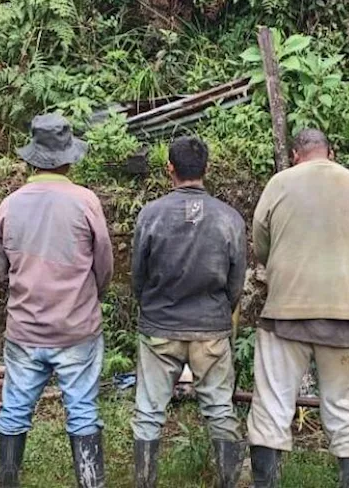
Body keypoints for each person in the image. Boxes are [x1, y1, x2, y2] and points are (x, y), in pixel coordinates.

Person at [246, 129, 349, 488]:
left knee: (272, 407)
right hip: (346, 316)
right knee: (348, 409)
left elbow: (261, 244)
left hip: (285, 314)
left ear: (294, 155)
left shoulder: (280, 183)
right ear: (330, 152)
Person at [0, 113, 114, 488]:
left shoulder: (9, 205)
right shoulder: (85, 201)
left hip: (25, 329)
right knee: (82, 411)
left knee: (14, 411)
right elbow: (104, 264)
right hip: (76, 329)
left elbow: (3, 268)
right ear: (69, 158)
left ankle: (8, 481)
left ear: (31, 158)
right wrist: (90, 296)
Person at [129, 136, 247, 488]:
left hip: (159, 327)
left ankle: (145, 482)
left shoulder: (150, 214)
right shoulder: (229, 218)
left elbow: (139, 275)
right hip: (210, 327)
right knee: (219, 409)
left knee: (149, 412)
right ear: (206, 169)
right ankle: (230, 480)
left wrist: (150, 306)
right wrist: (220, 312)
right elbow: (236, 281)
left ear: (170, 169)